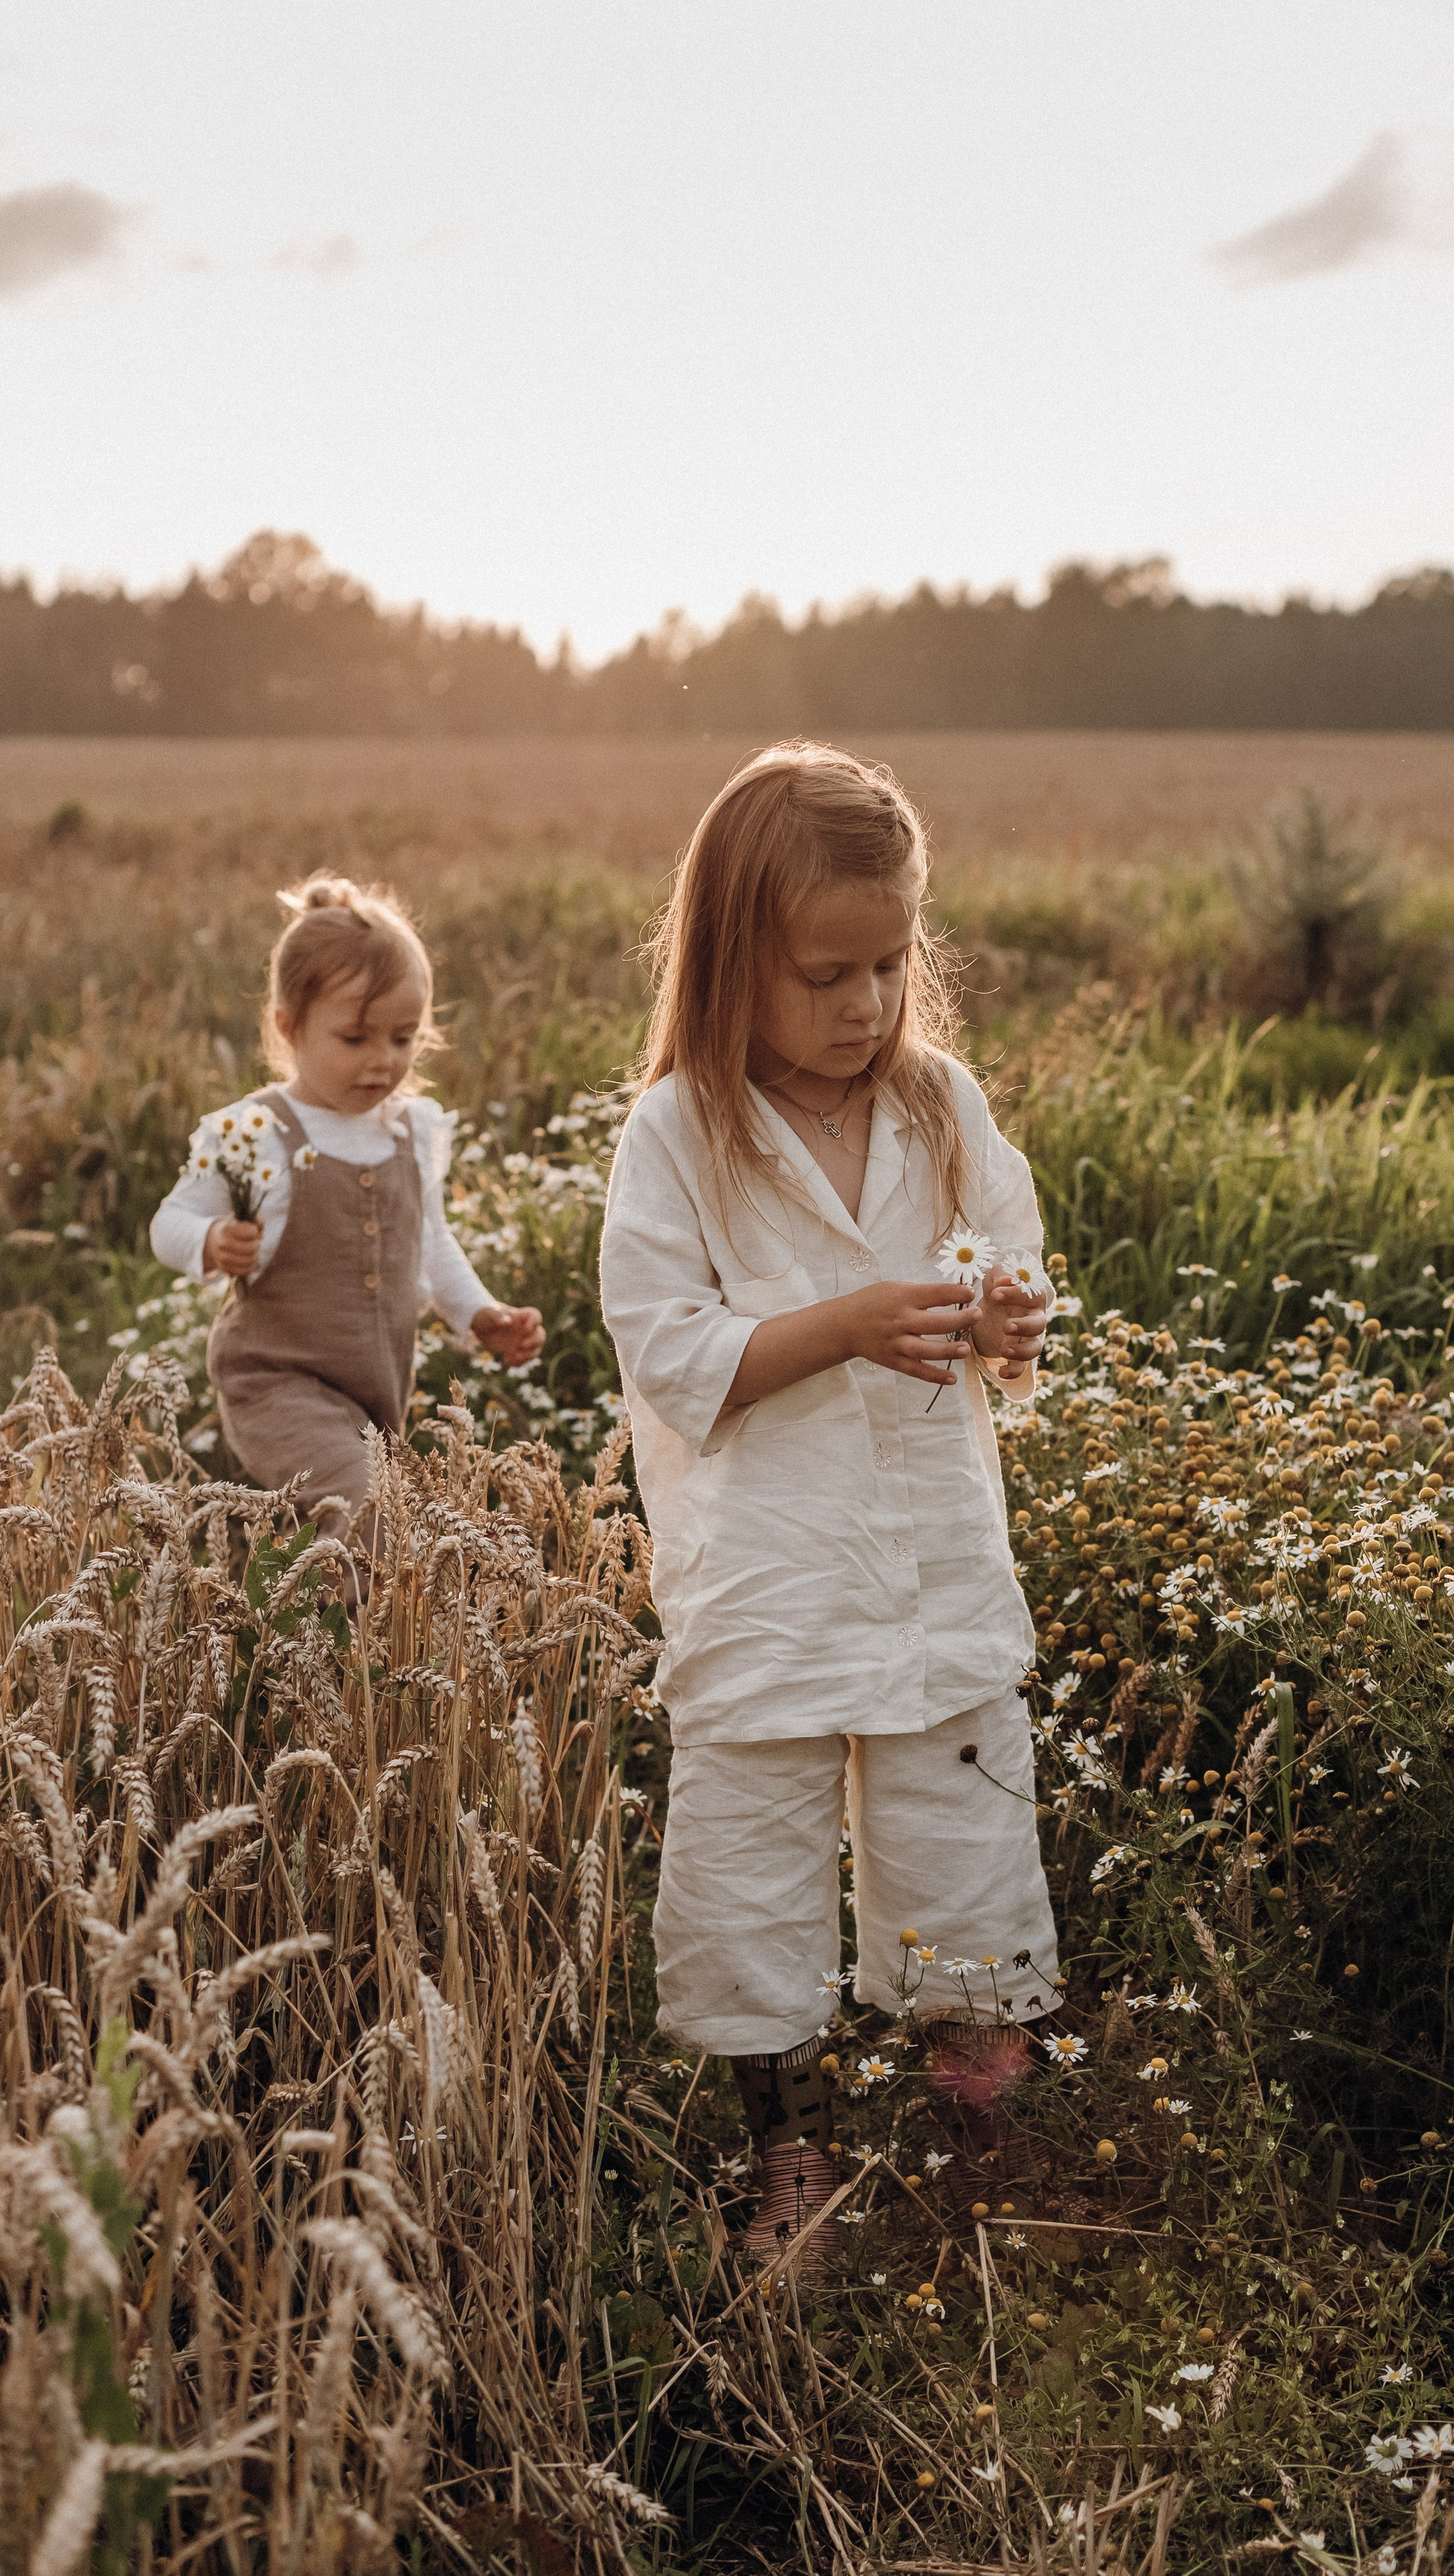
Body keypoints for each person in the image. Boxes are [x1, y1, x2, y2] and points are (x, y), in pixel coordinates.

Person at [599, 741, 1060, 2261]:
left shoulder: (940, 1105)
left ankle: (971, 2112)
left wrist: (1006, 1321)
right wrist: (848, 1323)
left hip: (927, 1554)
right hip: (770, 1569)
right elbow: (669, 1353)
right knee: (750, 1869)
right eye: (823, 971)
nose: (864, 1002)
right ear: (733, 960)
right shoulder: (675, 1136)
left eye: (886, 961)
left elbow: (1007, 1252)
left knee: (960, 1832)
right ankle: (782, 2140)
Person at [150, 875, 543, 1546]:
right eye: (355, 1039)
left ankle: (317, 1635)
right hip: (274, 1384)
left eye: (402, 1039)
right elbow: (169, 1224)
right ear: (289, 1026)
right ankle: (342, 1643)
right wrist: (212, 1240)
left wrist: (479, 1313)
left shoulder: (411, 1132)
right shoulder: (256, 1132)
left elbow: (430, 1241)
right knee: (374, 1522)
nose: (383, 1062)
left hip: (375, 1395)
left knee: (378, 1538)